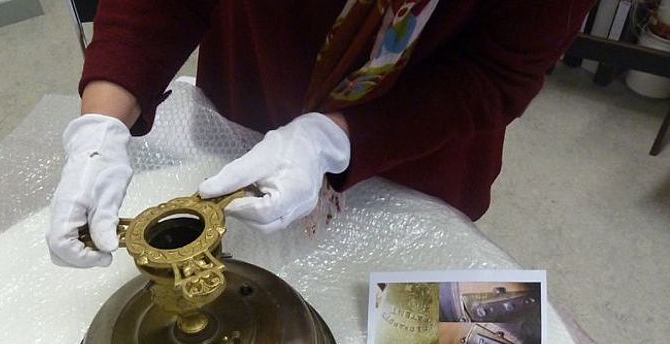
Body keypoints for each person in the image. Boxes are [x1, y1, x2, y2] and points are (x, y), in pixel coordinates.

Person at [47, 0, 594, 268]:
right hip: (248, 105)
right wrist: (101, 124)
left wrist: (329, 140)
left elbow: (497, 71)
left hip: (410, 153)